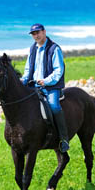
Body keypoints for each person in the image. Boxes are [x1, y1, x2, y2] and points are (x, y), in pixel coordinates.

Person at [21, 23, 70, 153]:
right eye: (33, 34)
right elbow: (27, 69)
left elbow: (58, 71)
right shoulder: (32, 49)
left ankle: (63, 139)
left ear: (44, 32)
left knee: (54, 106)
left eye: (38, 33)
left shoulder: (54, 49)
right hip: (34, 85)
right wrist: (23, 80)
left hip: (51, 86)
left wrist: (46, 81)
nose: (36, 36)